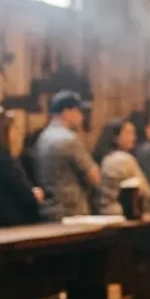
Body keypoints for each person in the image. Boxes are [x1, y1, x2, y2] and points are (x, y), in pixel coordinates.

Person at [32, 90, 100, 220]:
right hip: (72, 213)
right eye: (79, 111)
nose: (81, 117)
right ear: (67, 112)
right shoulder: (70, 139)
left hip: (49, 212)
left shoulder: (42, 138)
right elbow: (94, 177)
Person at [95, 118, 150, 216]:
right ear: (115, 137)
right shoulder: (124, 159)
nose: (134, 138)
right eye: (129, 133)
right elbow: (145, 191)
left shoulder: (102, 158)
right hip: (123, 215)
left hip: (102, 213)